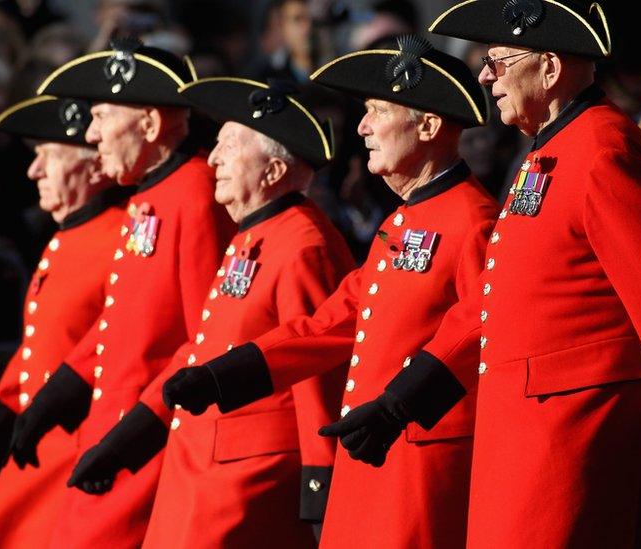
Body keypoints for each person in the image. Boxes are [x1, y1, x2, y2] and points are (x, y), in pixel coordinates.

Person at [308, 2, 641, 546]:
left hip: (575, 432)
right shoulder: (551, 151)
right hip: (528, 434)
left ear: (549, 68)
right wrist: (404, 399)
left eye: (499, 59)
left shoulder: (602, 147)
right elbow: (497, 298)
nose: (486, 74)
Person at [163, 35, 498, 548]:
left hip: (422, 459)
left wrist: (399, 406)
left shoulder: (471, 218)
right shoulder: (405, 218)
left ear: (428, 126)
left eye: (378, 111)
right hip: (374, 453)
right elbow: (331, 324)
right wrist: (224, 375)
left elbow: (483, 326)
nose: (361, 127)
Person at [66, 77, 354, 547]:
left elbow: (315, 368)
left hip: (250, 475)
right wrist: (132, 435)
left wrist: (320, 482)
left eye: (229, 147)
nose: (214, 159)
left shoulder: (304, 243)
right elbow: (202, 348)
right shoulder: (252, 236)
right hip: (201, 463)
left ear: (274, 170)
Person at [5, 39, 235, 547]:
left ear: (150, 125)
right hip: (112, 427)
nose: (91, 134)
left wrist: (136, 432)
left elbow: (206, 338)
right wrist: (60, 389)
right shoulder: (150, 193)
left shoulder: (195, 194)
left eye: (103, 117)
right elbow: (120, 319)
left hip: (150, 440)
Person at [0, 95, 129, 548]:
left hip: (78, 443)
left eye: (48, 157)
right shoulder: (65, 237)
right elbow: (43, 342)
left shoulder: (122, 236)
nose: (33, 171)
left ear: (95, 168)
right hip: (42, 440)